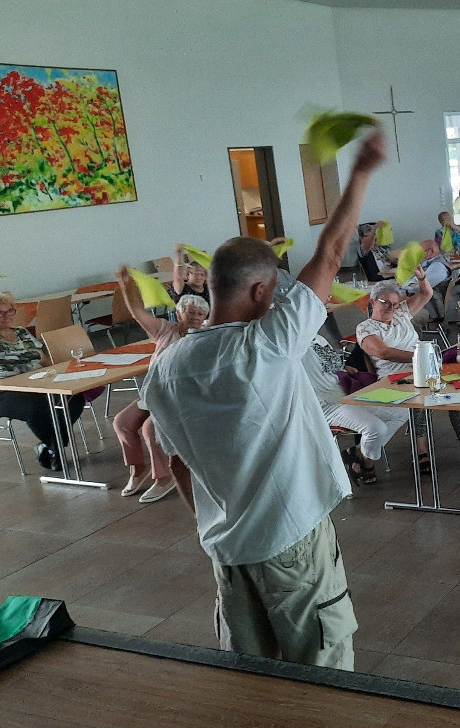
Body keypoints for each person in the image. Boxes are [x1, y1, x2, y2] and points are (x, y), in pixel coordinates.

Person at [142, 130, 387, 671]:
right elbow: (331, 253)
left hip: (226, 549)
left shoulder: (163, 369)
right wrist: (362, 172)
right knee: (318, 663)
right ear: (259, 291)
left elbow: (176, 463)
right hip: (289, 536)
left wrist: (217, 526)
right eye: (273, 292)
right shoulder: (265, 345)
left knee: (251, 674)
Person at [357, 278, 460, 472]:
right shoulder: (366, 328)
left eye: (394, 304)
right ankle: (421, 450)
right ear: (372, 302)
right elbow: (383, 352)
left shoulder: (400, 313)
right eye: (384, 302)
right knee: (420, 393)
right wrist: (421, 357)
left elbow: (426, 294)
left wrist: (421, 278)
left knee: (455, 390)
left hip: (423, 368)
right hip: (394, 379)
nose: (390, 308)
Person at [111, 269, 210, 503]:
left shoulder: (205, 338)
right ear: (178, 313)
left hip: (180, 399)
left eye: (199, 313)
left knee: (150, 429)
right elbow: (136, 312)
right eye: (190, 311)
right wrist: (126, 284)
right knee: (122, 422)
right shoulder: (165, 330)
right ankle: (137, 468)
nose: (195, 317)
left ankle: (164, 478)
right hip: (153, 394)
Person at [0, 291, 87, 471]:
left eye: (10, 311)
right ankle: (56, 450)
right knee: (36, 407)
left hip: (34, 384)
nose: (6, 316)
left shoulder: (21, 332)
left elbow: (42, 359)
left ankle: (50, 447)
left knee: (75, 397)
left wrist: (57, 373)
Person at [305, 334, 408, 486]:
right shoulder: (294, 345)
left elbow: (329, 366)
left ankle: (359, 453)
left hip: (347, 393)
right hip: (327, 404)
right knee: (376, 428)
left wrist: (344, 368)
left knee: (402, 411)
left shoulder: (319, 338)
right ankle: (366, 462)